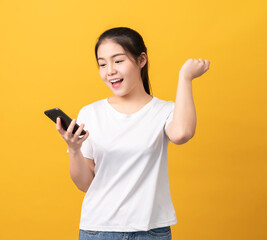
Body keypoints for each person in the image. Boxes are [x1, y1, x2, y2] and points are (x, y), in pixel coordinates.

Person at [56, 27, 210, 240]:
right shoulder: (91, 113)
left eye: (118, 61)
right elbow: (85, 184)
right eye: (102, 64)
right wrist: (74, 149)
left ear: (141, 60)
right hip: (99, 230)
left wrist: (185, 78)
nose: (109, 70)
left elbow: (182, 133)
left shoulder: (164, 111)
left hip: (151, 231)